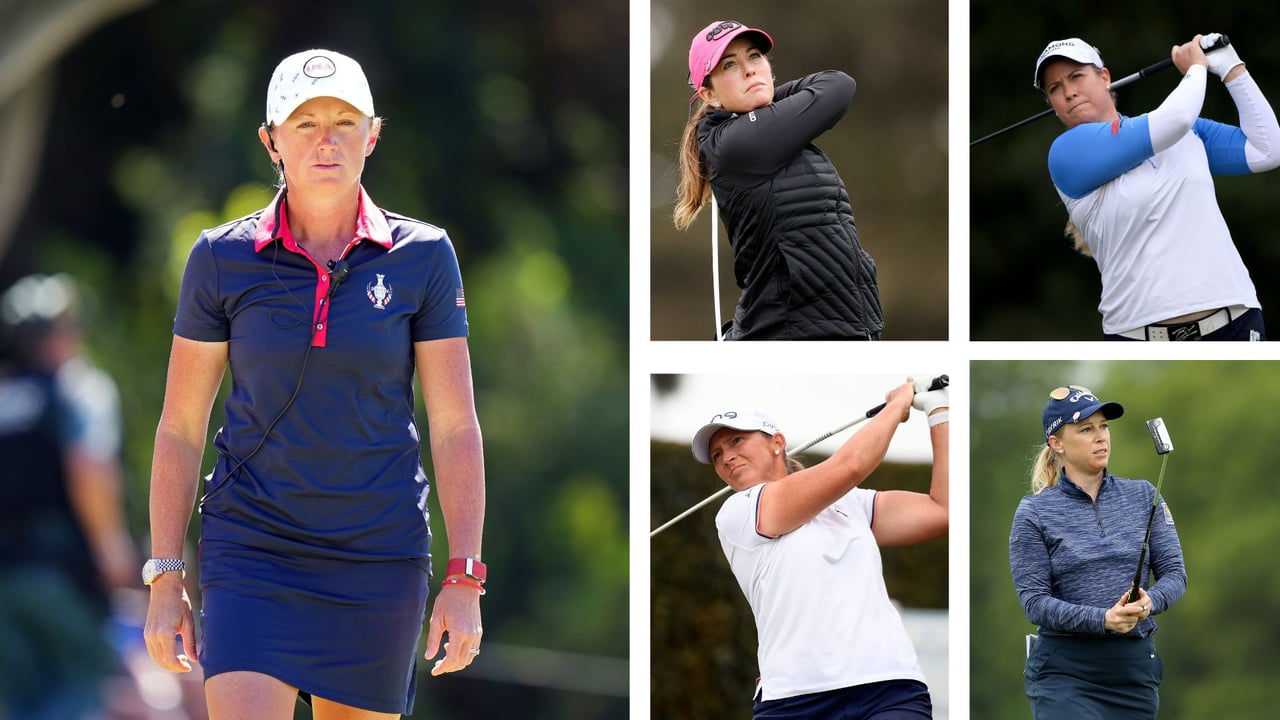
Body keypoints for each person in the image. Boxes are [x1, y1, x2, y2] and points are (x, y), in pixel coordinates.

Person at [142, 49, 487, 718]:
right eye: (304, 124)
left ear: (372, 136)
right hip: (252, 551)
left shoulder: (425, 256)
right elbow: (180, 428)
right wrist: (165, 575)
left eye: (344, 122)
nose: (326, 141)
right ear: (270, 140)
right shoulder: (219, 258)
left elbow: (455, 426)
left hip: (378, 556)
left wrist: (465, 575)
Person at [691, 379, 948, 718]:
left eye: (736, 440)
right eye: (717, 455)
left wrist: (939, 411)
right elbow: (850, 466)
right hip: (794, 702)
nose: (727, 457)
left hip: (888, 688)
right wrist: (896, 407)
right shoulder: (736, 513)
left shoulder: (853, 503)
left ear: (777, 443)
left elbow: (943, 510)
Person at [1035, 33, 1280, 341]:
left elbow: (1268, 150)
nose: (1069, 92)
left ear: (1105, 77)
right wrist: (1196, 68)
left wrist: (1231, 67)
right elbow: (1177, 117)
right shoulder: (1066, 153)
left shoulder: (1184, 133)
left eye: (1076, 77)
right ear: (1052, 104)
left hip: (1235, 322)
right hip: (1138, 336)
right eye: (1055, 88)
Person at [673, 20, 883, 341]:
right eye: (729, 65)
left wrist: (765, 96)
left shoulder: (764, 132)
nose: (749, 70)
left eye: (754, 56)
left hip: (843, 327)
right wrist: (770, 96)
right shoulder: (736, 144)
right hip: (792, 335)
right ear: (709, 94)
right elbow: (837, 86)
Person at [0, 273, 141, 717]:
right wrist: (111, 548)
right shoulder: (78, 388)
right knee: (79, 689)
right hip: (61, 573)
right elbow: (88, 464)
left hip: (5, 577)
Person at [1010, 385, 1187, 719]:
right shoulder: (1034, 512)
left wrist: (1149, 602)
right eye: (1086, 429)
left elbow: (1175, 574)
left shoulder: (1143, 495)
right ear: (1057, 443)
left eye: (1104, 426)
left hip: (1133, 674)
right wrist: (1104, 620)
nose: (1101, 436)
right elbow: (1035, 602)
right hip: (1065, 672)